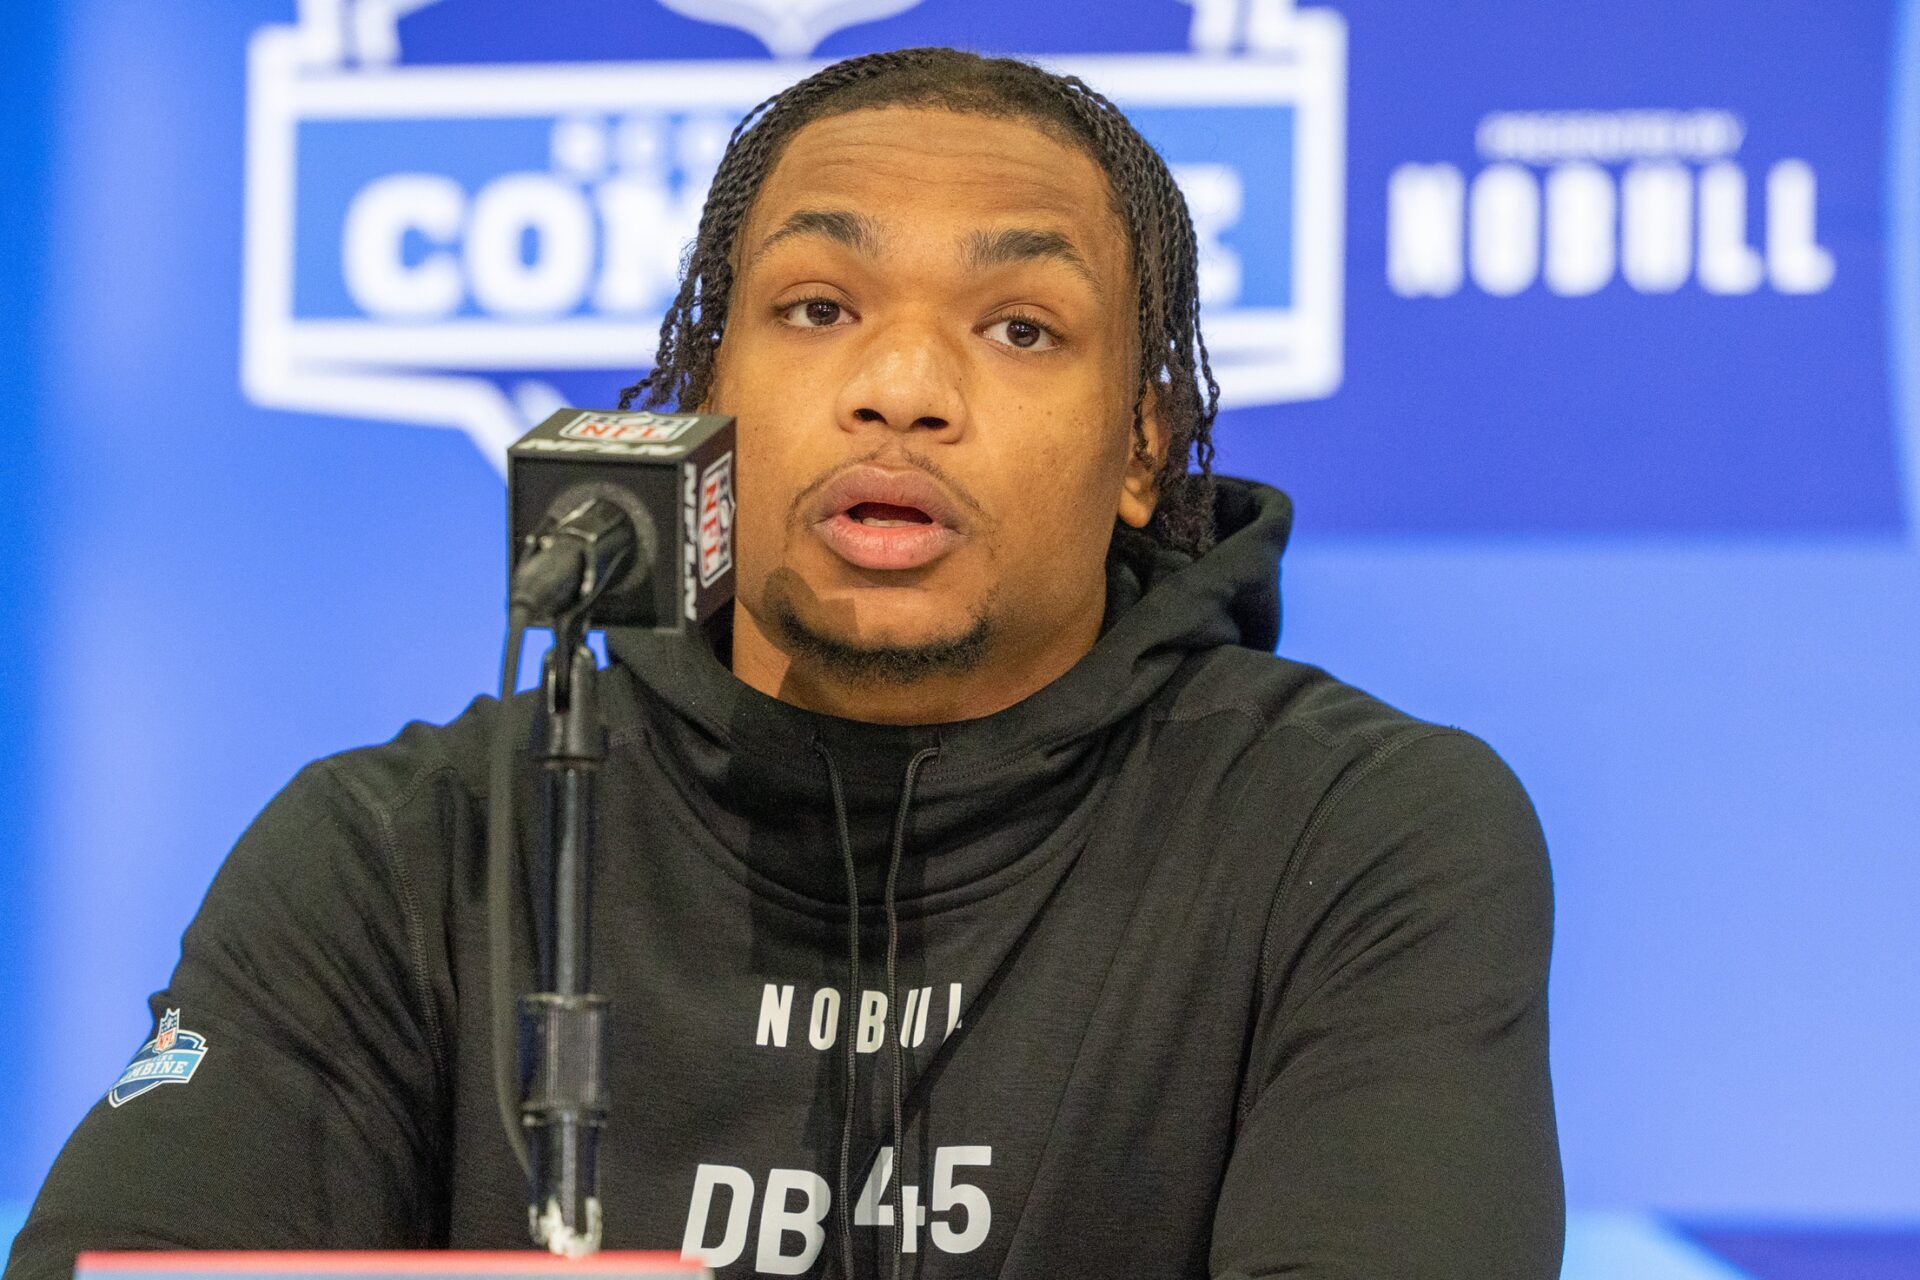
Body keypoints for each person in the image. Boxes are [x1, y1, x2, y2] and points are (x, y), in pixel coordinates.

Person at [5, 47, 1562, 1280]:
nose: (900, 388)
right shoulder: (411, 852)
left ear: (1145, 447)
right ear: (703, 395)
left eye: (1021, 328)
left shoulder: (1352, 835)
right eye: (817, 308)